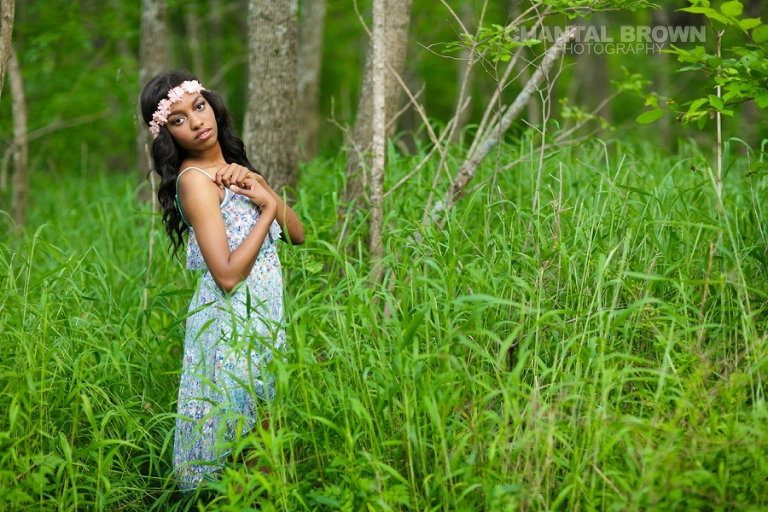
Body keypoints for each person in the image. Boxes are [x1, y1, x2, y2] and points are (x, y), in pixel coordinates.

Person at [139, 70, 304, 490]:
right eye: (178, 119)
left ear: (211, 105)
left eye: (199, 106)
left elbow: (298, 234)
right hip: (231, 324)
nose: (196, 121)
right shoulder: (195, 182)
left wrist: (260, 186)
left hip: (264, 317)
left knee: (266, 433)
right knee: (240, 438)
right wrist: (267, 211)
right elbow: (228, 276)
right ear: (167, 135)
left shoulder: (233, 168)